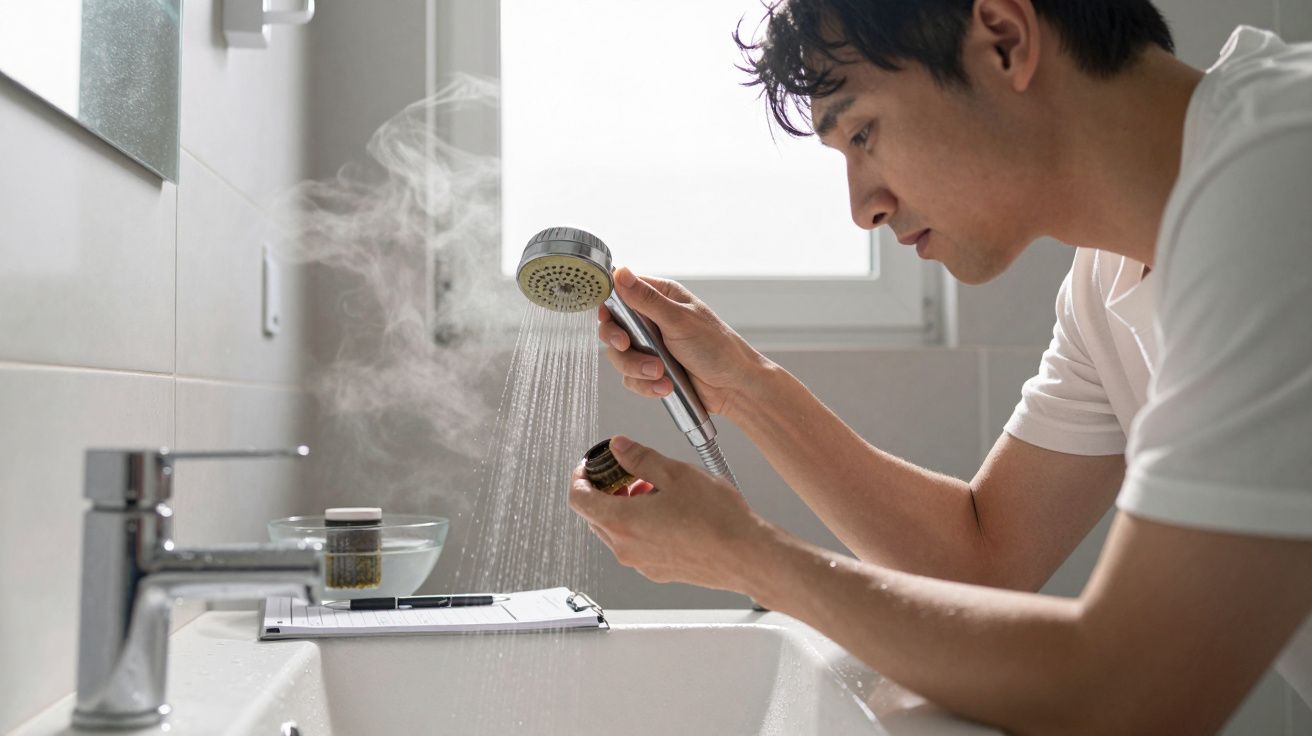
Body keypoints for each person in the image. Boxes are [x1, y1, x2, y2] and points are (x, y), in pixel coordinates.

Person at [567, 0, 1312, 732]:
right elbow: (982, 559)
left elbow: (1131, 692)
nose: (863, 208)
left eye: (863, 132)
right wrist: (741, 386)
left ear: (1004, 41)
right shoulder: (1109, 277)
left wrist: (750, 558)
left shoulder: (1282, 169)